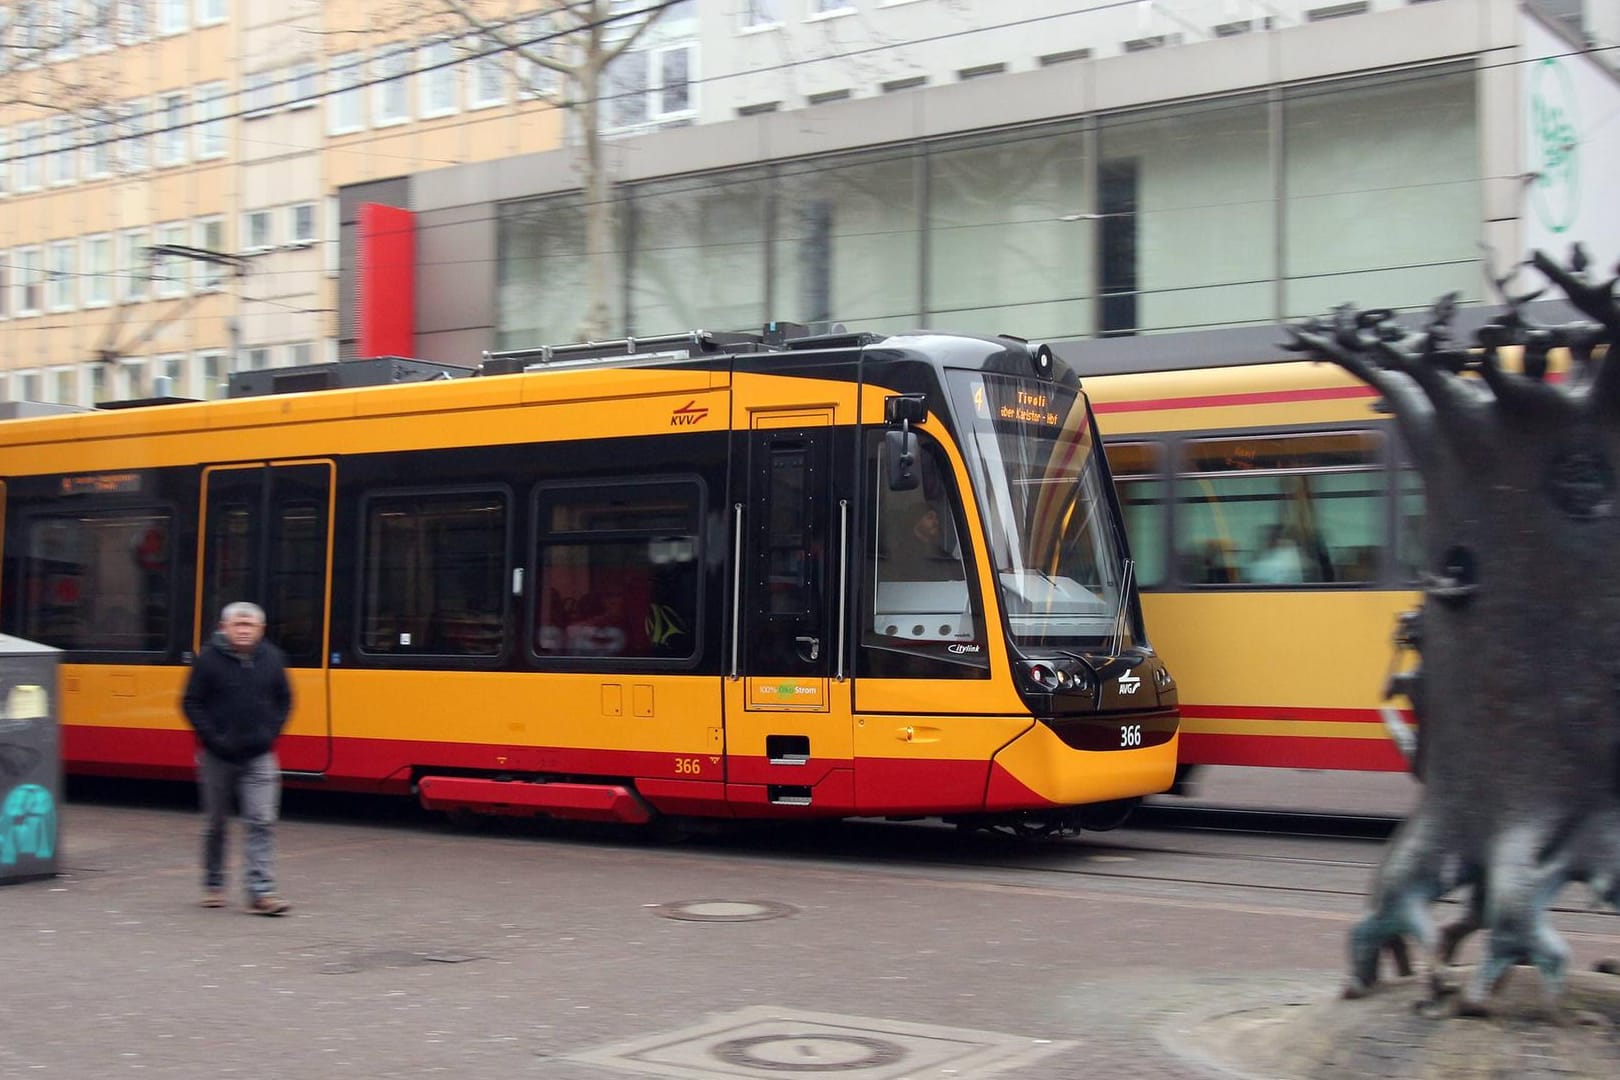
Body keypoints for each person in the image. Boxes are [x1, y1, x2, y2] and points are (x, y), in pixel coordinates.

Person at [181, 601, 294, 915]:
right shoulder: (208, 661)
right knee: (217, 822)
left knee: (261, 820)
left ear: (261, 630)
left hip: (259, 756)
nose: (244, 631)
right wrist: (213, 739)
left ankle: (261, 892)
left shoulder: (272, 659)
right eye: (238, 625)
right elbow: (191, 703)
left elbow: (285, 699)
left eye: (250, 626)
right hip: (217, 756)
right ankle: (214, 883)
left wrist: (270, 734)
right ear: (224, 628)